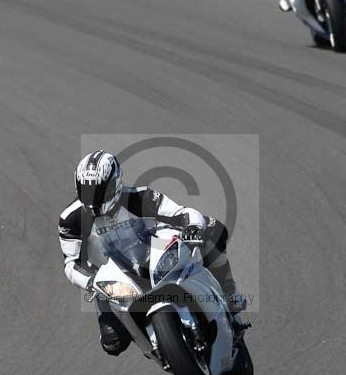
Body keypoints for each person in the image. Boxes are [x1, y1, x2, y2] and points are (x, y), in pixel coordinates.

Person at [58, 150, 249, 356]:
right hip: (110, 278)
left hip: (149, 257)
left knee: (214, 228)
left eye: (100, 191)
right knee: (113, 343)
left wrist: (193, 227)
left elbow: (180, 212)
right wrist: (90, 282)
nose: (93, 198)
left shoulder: (139, 197)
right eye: (87, 191)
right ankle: (157, 343)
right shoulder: (70, 218)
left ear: (115, 183)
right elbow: (71, 263)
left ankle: (228, 292)